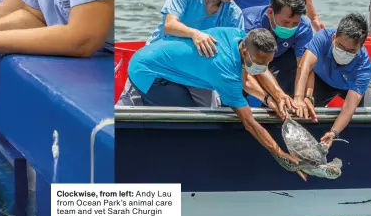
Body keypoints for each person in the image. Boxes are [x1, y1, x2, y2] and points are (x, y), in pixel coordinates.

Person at [127, 27, 303, 177]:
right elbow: (249, 122)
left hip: (160, 59)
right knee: (188, 124)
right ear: (245, 53)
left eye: (268, 63)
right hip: (146, 71)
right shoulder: (225, 71)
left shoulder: (239, 37)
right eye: (260, 63)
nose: (263, 68)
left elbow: (247, 79)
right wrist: (279, 153)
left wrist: (270, 98)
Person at [116, 0, 249, 107]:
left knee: (212, 112)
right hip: (158, 61)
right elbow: (169, 25)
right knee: (127, 107)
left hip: (197, 72)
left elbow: (235, 60)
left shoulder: (234, 15)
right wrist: (194, 34)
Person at [293, 12, 371, 147]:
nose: (344, 53)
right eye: (341, 47)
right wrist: (299, 98)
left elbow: (349, 107)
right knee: (301, 111)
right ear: (334, 38)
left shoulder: (363, 65)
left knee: (370, 120)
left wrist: (333, 132)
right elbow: (305, 66)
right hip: (322, 80)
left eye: (351, 51)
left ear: (360, 48)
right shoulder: (323, 37)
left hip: (351, 87)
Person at [243, 0, 314, 97]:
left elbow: (304, 66)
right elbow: (252, 63)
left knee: (293, 63)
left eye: (295, 24)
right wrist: (277, 95)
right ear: (270, 12)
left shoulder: (304, 27)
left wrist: (301, 98)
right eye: (285, 22)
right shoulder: (249, 23)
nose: (289, 27)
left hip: (278, 59)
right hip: (250, 62)